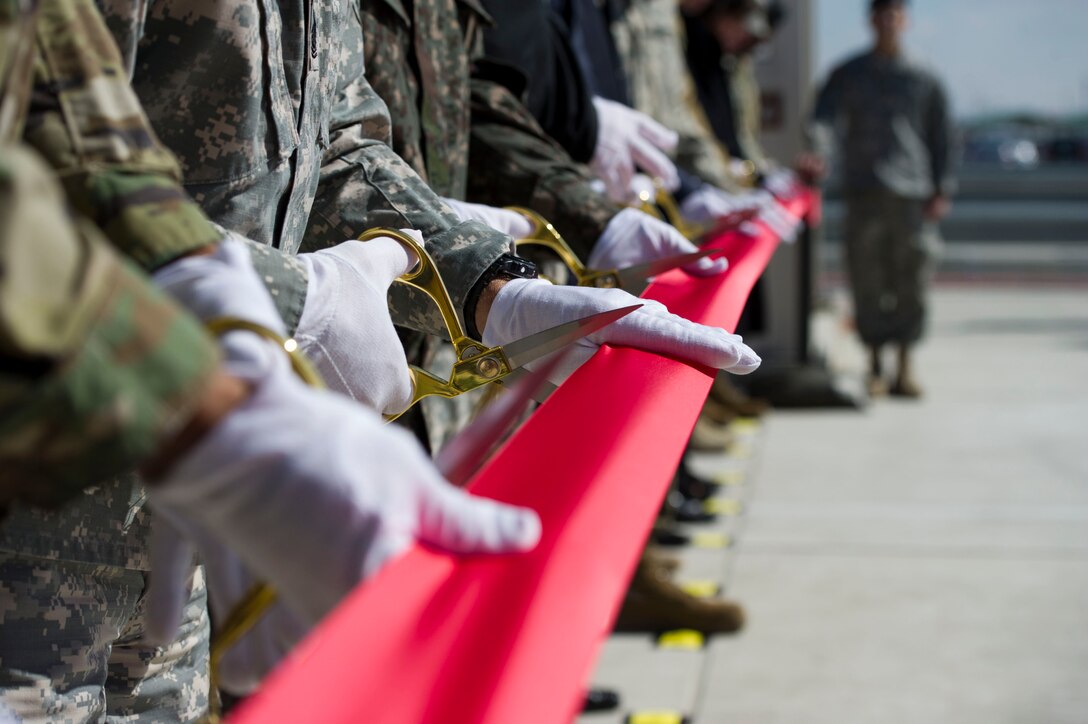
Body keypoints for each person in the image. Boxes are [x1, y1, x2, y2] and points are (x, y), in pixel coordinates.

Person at [799, 0, 957, 398]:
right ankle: (873, 364)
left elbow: (943, 135)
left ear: (905, 20)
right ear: (871, 20)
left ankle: (905, 365)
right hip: (864, 189)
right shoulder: (849, 73)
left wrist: (943, 188)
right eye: (881, 14)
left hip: (912, 193)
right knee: (867, 278)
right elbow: (823, 118)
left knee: (911, 280)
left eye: (895, 14)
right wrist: (819, 150)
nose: (888, 22)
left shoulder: (923, 76)